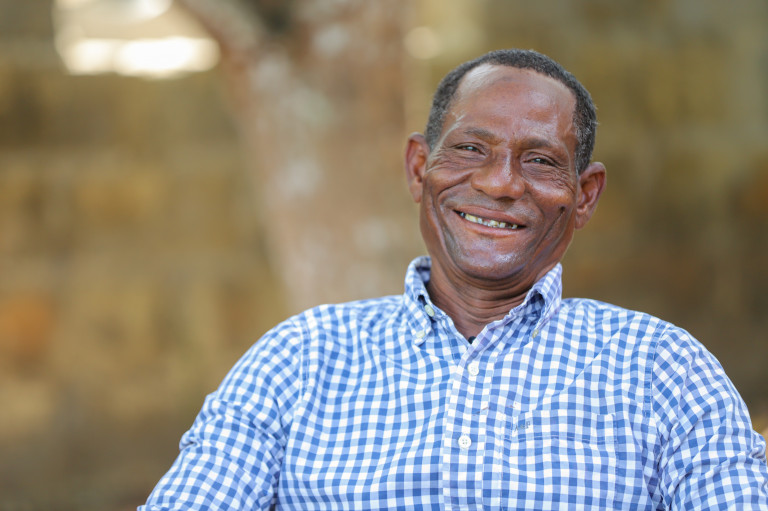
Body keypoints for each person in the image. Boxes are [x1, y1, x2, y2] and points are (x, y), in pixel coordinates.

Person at [140, 49, 768, 510]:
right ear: (420, 168)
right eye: (470, 149)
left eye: (540, 160)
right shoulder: (299, 361)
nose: (499, 182)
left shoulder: (664, 372)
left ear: (584, 195)